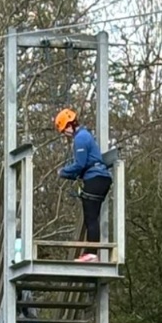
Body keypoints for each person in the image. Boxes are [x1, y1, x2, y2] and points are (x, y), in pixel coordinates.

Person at [55, 108, 111, 260]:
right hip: (100, 177)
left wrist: (63, 172)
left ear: (69, 125)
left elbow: (80, 164)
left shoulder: (80, 138)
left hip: (95, 178)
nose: (65, 134)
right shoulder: (86, 135)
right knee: (92, 217)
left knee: (90, 217)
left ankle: (92, 253)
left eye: (64, 131)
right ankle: (91, 252)